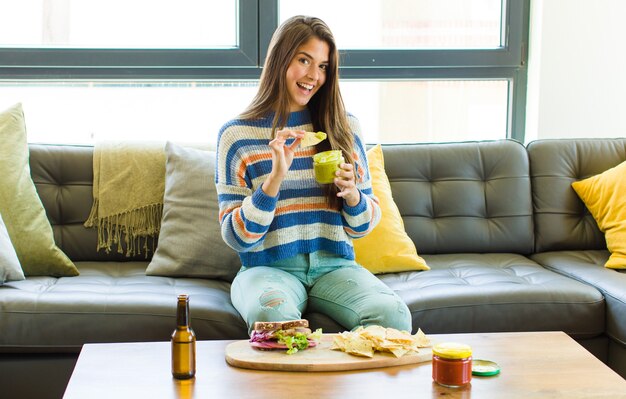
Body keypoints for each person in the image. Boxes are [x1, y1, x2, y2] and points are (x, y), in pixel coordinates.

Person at [215, 15, 412, 334]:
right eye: (304, 60)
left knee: (393, 316)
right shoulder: (236, 136)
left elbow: (363, 227)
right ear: (280, 60)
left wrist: (352, 196)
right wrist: (274, 179)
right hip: (266, 268)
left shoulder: (344, 128)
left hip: (336, 266)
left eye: (323, 66)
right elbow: (236, 237)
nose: (313, 75)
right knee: (274, 321)